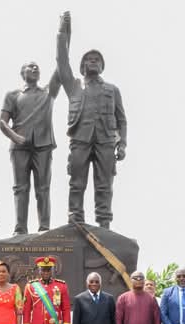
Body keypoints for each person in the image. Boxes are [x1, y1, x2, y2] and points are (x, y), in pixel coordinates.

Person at [56, 11, 127, 229]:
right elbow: (61, 60)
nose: (93, 61)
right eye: (89, 59)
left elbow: (122, 119)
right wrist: (62, 32)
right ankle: (75, 219)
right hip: (80, 139)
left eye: (97, 59)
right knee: (77, 182)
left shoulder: (112, 89)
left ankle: (104, 223)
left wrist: (122, 143)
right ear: (82, 66)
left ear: (102, 66)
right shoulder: (74, 86)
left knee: (104, 184)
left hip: (105, 140)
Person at [0, 62, 60, 235]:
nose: (35, 69)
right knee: (20, 188)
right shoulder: (13, 95)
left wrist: (64, 44)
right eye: (30, 67)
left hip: (43, 145)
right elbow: (2, 122)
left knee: (43, 188)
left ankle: (44, 228)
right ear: (22, 73)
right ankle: (20, 229)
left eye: (37, 67)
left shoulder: (48, 92)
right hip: (20, 147)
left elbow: (60, 67)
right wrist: (14, 137)